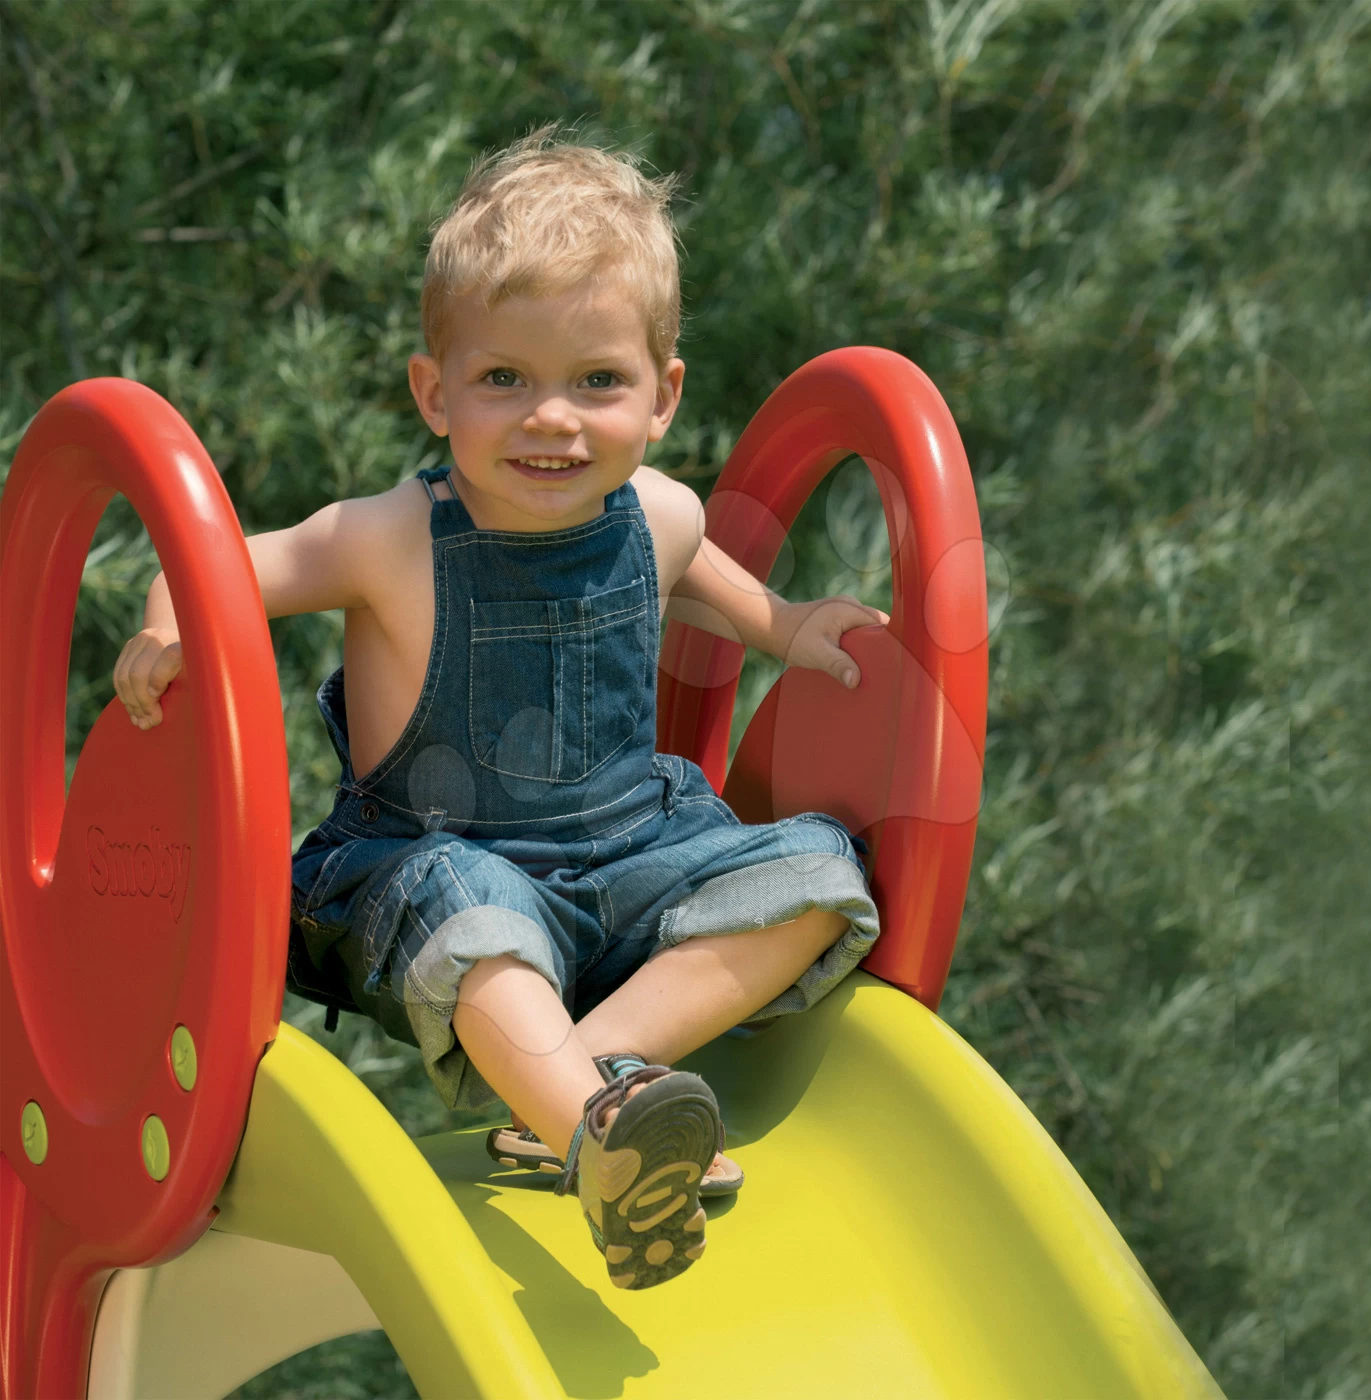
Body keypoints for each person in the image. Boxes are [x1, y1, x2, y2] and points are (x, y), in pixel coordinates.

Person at [112, 122, 884, 1291]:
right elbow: (211, 559)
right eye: (504, 379)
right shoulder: (390, 537)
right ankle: (594, 1131)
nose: (552, 418)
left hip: (630, 855)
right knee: (475, 917)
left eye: (597, 381)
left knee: (820, 874)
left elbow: (723, 591)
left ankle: (583, 1081)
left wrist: (789, 625)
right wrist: (168, 623)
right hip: (434, 863)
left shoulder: (661, 515)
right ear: (436, 391)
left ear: (662, 395)